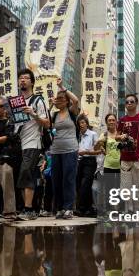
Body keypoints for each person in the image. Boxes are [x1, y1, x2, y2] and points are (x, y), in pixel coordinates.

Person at [15, 68, 50, 220]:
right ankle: (28, 208)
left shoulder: (38, 100)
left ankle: (28, 209)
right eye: (20, 78)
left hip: (33, 142)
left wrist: (33, 113)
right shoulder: (16, 101)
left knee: (26, 173)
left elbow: (47, 123)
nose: (22, 80)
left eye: (26, 78)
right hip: (19, 144)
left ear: (32, 82)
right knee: (23, 177)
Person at [49, 81, 80, 220]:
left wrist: (62, 88)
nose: (59, 101)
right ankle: (60, 208)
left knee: (68, 179)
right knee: (56, 180)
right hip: (55, 151)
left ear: (67, 101)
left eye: (61, 99)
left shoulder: (72, 112)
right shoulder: (54, 115)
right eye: (57, 99)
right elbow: (44, 122)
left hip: (70, 150)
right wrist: (50, 104)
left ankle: (68, 208)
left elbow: (76, 100)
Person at [117, 94, 139, 213]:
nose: (129, 103)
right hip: (125, 159)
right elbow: (116, 136)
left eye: (132, 101)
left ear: (136, 103)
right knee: (127, 187)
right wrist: (120, 137)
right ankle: (130, 210)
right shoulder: (122, 120)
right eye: (127, 102)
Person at [76, 114, 100, 217]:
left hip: (90, 161)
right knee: (78, 185)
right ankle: (89, 208)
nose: (81, 125)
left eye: (83, 122)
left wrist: (86, 152)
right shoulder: (77, 135)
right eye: (79, 123)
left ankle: (81, 208)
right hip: (78, 162)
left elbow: (99, 150)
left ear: (87, 123)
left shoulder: (93, 134)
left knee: (85, 184)